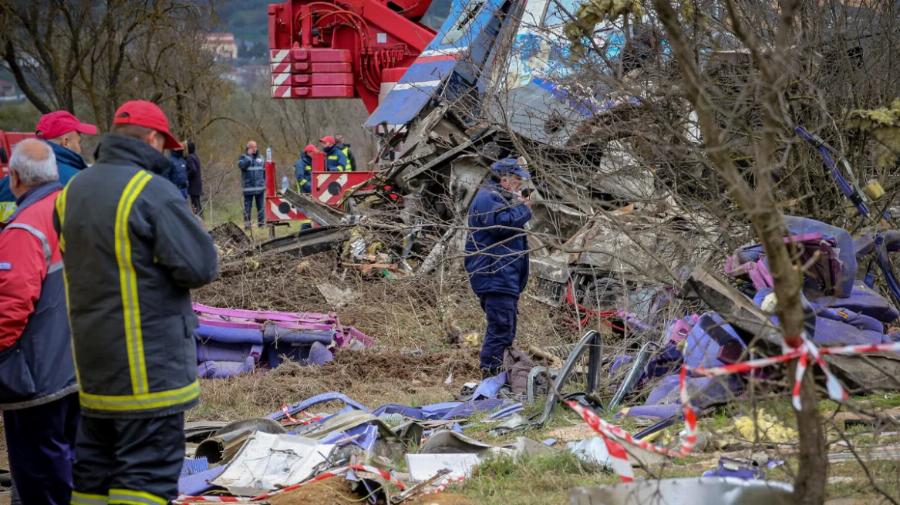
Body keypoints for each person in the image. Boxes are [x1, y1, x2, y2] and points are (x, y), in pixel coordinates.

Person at [54, 100, 219, 504]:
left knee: (93, 476)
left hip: (92, 372)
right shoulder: (151, 192)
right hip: (148, 372)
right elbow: (200, 266)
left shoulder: (72, 191)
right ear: (152, 139)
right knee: (145, 478)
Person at [0, 139, 79, 505]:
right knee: (74, 470)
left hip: (36, 379)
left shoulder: (24, 229)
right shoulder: (74, 209)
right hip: (81, 367)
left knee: (40, 482)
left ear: (14, 177)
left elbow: (8, 309)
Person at [464, 157, 532, 377]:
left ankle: (499, 374)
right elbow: (500, 225)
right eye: (517, 180)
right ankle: (491, 375)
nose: (519, 185)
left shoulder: (498, 197)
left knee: (505, 328)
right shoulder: (488, 197)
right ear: (504, 179)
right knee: (501, 328)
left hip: (503, 276)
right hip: (494, 274)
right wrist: (525, 210)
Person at [0, 110, 98, 221]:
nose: (80, 148)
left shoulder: (6, 184)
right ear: (66, 142)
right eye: (78, 142)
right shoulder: (78, 180)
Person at [238, 140, 266, 229]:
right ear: (248, 148)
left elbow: (264, 172)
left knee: (261, 208)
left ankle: (261, 225)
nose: (254, 149)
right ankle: (247, 226)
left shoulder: (261, 158)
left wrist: (264, 183)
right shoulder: (242, 158)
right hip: (248, 188)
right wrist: (249, 157)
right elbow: (243, 166)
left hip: (260, 188)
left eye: (255, 146)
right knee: (247, 209)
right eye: (252, 147)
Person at [186, 140, 203, 215]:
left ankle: (198, 219)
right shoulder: (195, 156)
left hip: (193, 184)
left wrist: (186, 176)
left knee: (195, 203)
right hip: (198, 183)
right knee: (198, 202)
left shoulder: (190, 157)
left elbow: (193, 169)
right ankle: (201, 219)